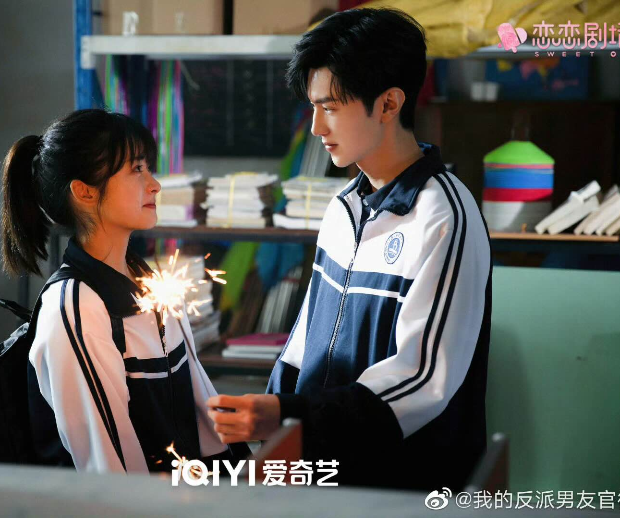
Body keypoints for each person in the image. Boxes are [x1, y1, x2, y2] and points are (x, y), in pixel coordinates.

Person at [207, 8, 492, 491]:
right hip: (326, 475)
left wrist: (292, 415)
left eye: (332, 107)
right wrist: (269, 423)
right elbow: (305, 342)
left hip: (401, 487)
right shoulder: (343, 207)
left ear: (389, 103)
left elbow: (422, 380)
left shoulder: (443, 217)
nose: (316, 127)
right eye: (313, 107)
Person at [1, 109, 248, 473]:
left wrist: (241, 477)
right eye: (136, 169)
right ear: (84, 192)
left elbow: (199, 403)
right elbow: (109, 467)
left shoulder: (148, 281)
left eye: (148, 168)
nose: (155, 184)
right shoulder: (77, 307)